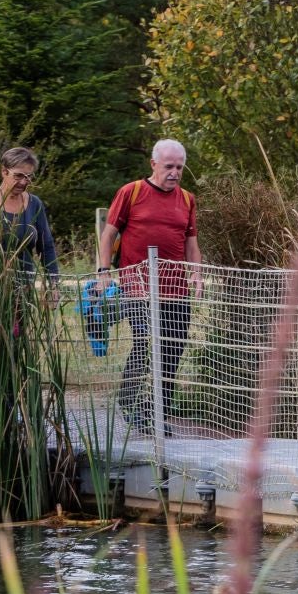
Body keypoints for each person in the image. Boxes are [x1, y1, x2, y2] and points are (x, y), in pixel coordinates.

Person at [98, 139, 201, 435]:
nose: (175, 172)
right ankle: (131, 402)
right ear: (154, 164)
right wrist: (104, 271)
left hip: (176, 288)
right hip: (138, 286)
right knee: (145, 342)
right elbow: (109, 234)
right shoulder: (131, 192)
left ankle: (158, 412)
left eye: (180, 167)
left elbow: (191, 243)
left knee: (173, 348)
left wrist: (195, 273)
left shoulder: (187, 199)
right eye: (169, 166)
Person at [0, 148, 59, 285]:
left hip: (24, 292)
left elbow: (46, 246)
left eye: (29, 177)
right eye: (18, 176)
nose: (24, 182)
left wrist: (53, 284)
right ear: (4, 172)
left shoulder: (34, 203)